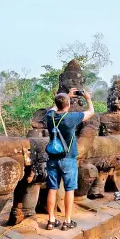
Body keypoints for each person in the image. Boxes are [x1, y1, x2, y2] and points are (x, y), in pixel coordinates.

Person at [45, 88, 95, 231]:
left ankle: (51, 220)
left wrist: (66, 96)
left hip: (52, 158)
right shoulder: (71, 118)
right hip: (68, 158)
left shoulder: (50, 116)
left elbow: (54, 107)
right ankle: (67, 221)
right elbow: (91, 112)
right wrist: (88, 98)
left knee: (52, 189)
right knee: (69, 189)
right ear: (68, 105)